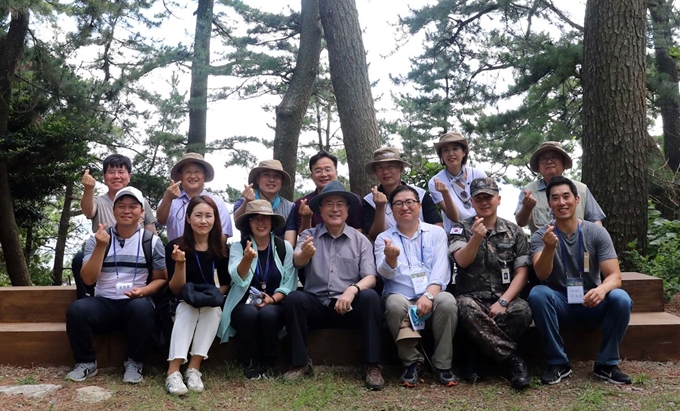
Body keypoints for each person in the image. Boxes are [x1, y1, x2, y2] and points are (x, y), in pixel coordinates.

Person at [528, 176, 633, 385]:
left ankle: (607, 364)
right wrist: (549, 248)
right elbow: (541, 274)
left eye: (566, 196)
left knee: (621, 298)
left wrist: (602, 289)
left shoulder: (596, 233)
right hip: (560, 304)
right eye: (555, 198)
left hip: (591, 300)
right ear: (549, 204)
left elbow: (615, 276)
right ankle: (558, 363)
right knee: (538, 294)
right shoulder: (541, 235)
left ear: (577, 200)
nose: (561, 202)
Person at [283, 181, 384, 390]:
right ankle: (300, 363)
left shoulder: (361, 240)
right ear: (320, 210)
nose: (335, 209)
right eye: (329, 204)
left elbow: (371, 278)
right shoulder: (308, 235)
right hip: (318, 305)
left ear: (348, 210)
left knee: (371, 297)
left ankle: (372, 365)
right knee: (294, 298)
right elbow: (296, 260)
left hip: (348, 306)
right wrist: (305, 254)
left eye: (340, 204)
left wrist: (352, 290)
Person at [65, 187, 167, 383]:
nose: (126, 211)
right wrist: (101, 247)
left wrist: (144, 291)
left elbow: (161, 279)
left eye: (132, 207)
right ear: (113, 211)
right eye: (121, 206)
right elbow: (88, 280)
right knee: (77, 310)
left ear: (142, 212)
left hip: (134, 302)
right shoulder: (97, 239)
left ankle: (134, 362)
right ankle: (86, 362)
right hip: (104, 302)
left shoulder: (151, 241)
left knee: (142, 307)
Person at [449, 177, 532, 389]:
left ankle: (477, 358)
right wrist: (476, 238)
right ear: (472, 202)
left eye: (488, 197)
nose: (484, 202)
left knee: (522, 311)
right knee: (465, 308)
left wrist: (503, 301)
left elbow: (521, 272)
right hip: (472, 298)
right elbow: (462, 260)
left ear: (499, 199)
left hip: (505, 297)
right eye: (479, 198)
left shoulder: (514, 231)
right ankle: (513, 361)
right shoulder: (461, 229)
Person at [374, 185, 458, 387]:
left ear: (419, 206)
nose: (405, 207)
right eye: (398, 203)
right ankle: (412, 362)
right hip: (400, 294)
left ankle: (442, 364)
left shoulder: (436, 233)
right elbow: (382, 273)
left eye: (410, 202)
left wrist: (429, 295)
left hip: (432, 292)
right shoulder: (383, 238)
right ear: (392, 210)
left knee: (447, 302)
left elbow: (441, 269)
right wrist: (391, 260)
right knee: (394, 304)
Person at [217, 200, 297, 379]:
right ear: (248, 224)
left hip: (275, 302)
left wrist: (273, 299)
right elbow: (236, 277)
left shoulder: (284, 247)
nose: (261, 223)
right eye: (255, 219)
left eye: (265, 219)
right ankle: (250, 361)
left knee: (268, 314)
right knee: (248, 314)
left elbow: (289, 282)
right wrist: (246, 259)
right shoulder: (238, 247)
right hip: (243, 302)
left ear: (272, 222)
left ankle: (270, 361)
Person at [164, 196, 230, 395]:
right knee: (188, 309)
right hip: (179, 302)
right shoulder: (175, 247)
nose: (203, 221)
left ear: (215, 219)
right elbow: (175, 289)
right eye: (198, 215)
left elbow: (226, 284)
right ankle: (173, 372)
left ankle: (194, 369)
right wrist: (180, 263)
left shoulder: (221, 249)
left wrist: (210, 296)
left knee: (212, 310)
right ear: (188, 218)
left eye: (208, 216)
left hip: (209, 302)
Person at [74, 154, 157, 298]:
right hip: (103, 258)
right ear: (104, 177)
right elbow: (88, 211)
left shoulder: (141, 202)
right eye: (111, 172)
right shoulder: (98, 201)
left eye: (121, 172)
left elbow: (152, 234)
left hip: (135, 259)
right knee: (79, 258)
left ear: (129, 176)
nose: (116, 176)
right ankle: (87, 298)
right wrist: (88, 189)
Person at [515, 141, 605, 233]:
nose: (549, 161)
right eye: (543, 159)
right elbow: (520, 222)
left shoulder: (581, 189)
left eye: (554, 157)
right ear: (538, 166)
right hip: (542, 245)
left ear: (563, 162)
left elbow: (596, 221)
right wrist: (527, 207)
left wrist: (594, 241)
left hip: (578, 245)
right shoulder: (529, 191)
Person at [362, 147, 441, 241]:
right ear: (375, 172)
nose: (385, 172)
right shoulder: (369, 201)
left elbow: (437, 225)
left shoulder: (420, 194)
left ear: (400, 168)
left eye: (390, 166)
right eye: (380, 168)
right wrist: (379, 207)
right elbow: (375, 236)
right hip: (389, 251)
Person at [157, 153, 233, 242]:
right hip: (175, 252)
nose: (193, 176)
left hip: (209, 255)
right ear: (180, 176)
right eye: (188, 172)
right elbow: (161, 220)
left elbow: (223, 235)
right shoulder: (170, 199)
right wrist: (168, 198)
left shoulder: (217, 203)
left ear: (204, 175)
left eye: (197, 171)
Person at [428, 132, 487, 234]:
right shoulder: (435, 182)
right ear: (441, 156)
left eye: (455, 149)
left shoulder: (478, 174)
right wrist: (445, 194)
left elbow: (487, 205)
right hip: (456, 234)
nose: (451, 154)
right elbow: (454, 218)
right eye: (446, 150)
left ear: (464, 152)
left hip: (482, 229)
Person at [292, 151, 363, 234]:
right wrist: (306, 218)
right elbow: (303, 237)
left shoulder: (353, 200)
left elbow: (358, 230)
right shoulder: (303, 203)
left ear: (336, 173)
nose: (323, 174)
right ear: (312, 176)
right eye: (318, 171)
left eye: (327, 169)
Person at [232, 160, 297, 245]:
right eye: (266, 175)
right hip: (248, 253)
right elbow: (237, 221)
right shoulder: (243, 201)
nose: (271, 180)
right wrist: (247, 203)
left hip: (279, 255)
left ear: (281, 181)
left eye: (277, 176)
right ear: (257, 179)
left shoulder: (290, 207)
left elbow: (290, 242)